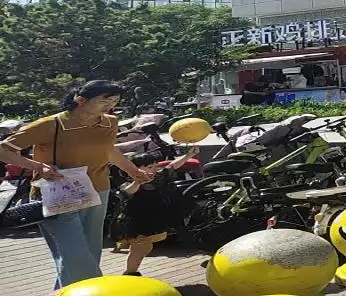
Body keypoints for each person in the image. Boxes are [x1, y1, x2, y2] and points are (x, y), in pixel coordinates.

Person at [0, 80, 154, 290]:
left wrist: (134, 172)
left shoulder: (109, 122)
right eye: (105, 100)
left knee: (88, 254)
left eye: (115, 101)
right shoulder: (51, 124)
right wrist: (38, 166)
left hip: (98, 190)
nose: (110, 105)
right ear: (80, 100)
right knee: (76, 256)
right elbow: (4, 149)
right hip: (56, 194)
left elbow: (108, 151)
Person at [113, 147, 199, 276]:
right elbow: (127, 192)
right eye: (149, 167)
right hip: (137, 222)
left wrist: (188, 155)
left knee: (145, 247)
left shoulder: (159, 176)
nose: (154, 169)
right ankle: (130, 273)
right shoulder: (130, 183)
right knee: (141, 248)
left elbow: (172, 166)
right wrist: (138, 181)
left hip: (155, 218)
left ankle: (131, 271)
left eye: (155, 166)